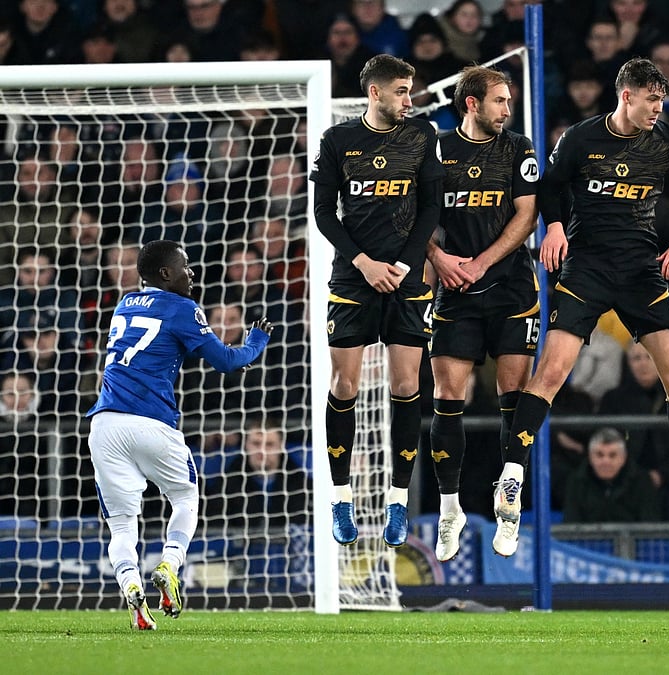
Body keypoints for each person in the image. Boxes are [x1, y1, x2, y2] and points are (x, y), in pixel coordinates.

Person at [492, 57, 669, 557]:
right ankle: (510, 482)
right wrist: (552, 225)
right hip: (587, 267)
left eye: (663, 100)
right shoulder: (580, 138)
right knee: (550, 372)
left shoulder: (668, 141)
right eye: (651, 100)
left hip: (641, 270)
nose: (659, 109)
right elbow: (549, 186)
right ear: (627, 97)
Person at [86, 240, 272, 630]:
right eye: (185, 267)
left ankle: (131, 586)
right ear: (166, 274)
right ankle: (169, 565)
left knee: (121, 525)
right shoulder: (183, 307)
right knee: (186, 497)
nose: (192, 273)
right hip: (151, 423)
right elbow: (225, 360)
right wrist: (255, 342)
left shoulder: (124, 304)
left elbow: (158, 348)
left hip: (103, 424)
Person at [310, 54, 444, 548]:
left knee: (406, 383)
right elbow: (324, 213)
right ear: (375, 92)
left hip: (406, 279)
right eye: (402, 91)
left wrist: (406, 265)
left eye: (411, 91)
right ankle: (341, 499)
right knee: (345, 383)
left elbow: (431, 205)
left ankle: (396, 500)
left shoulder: (422, 135)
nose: (410, 100)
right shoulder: (339, 140)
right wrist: (363, 261)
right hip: (353, 277)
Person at [424, 65, 539, 563]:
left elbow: (527, 212)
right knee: (448, 398)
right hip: (455, 289)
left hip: (512, 287)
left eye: (508, 102)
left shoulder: (519, 148)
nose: (507, 110)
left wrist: (483, 262)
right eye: (499, 101)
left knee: (513, 397)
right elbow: (415, 219)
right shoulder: (436, 152)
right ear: (471, 103)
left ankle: (508, 499)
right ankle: (450, 508)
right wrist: (440, 259)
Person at [562, 427, 661, 524]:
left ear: (623, 458)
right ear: (590, 457)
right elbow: (571, 525)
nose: (606, 461)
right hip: (588, 540)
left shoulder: (642, 481)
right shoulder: (576, 481)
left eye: (612, 455)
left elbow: (650, 527)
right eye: (599, 455)